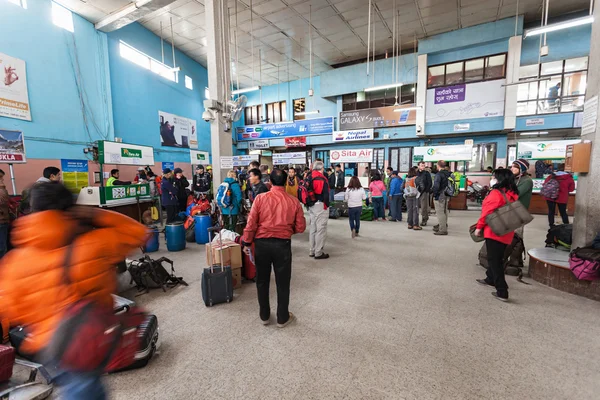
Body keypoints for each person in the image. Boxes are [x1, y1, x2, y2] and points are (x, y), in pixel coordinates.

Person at [0, 182, 148, 399]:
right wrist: (92, 214)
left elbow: (9, 309)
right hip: (88, 338)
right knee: (84, 388)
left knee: (82, 385)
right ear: (70, 209)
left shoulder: (14, 261)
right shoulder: (93, 245)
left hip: (49, 347)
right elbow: (139, 233)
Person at [241, 169, 306, 328]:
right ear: (285, 181)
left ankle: (264, 315)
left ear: (269, 180)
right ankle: (282, 318)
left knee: (262, 281)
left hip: (262, 244)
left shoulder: (260, 199)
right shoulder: (293, 201)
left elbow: (251, 223)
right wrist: (287, 230)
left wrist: (247, 242)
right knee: (283, 282)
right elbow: (301, 227)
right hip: (282, 245)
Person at [474, 169, 520, 302]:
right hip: (507, 229)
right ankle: (490, 278)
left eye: (493, 177)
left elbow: (487, 213)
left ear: (499, 179)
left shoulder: (496, 194)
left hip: (494, 230)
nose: (492, 178)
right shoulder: (512, 193)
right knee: (498, 256)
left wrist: (479, 227)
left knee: (494, 260)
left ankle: (502, 290)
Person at [308, 161, 330, 259]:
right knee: (321, 228)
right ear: (321, 168)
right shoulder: (321, 179)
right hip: (320, 205)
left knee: (313, 228)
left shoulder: (309, 176)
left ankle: (312, 250)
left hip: (311, 205)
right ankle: (318, 252)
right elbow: (325, 195)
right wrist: (327, 206)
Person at [432, 160, 451, 236]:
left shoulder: (439, 174)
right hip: (447, 194)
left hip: (440, 195)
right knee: (445, 211)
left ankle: (442, 229)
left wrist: (435, 194)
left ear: (438, 165)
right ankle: (443, 225)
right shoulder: (449, 173)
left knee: (440, 212)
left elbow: (436, 186)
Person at [415, 161, 433, 226]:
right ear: (418, 166)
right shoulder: (416, 173)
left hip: (424, 192)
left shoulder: (426, 173)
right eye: (422, 165)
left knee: (424, 207)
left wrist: (426, 191)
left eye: (424, 165)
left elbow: (430, 183)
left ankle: (424, 219)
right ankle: (415, 220)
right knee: (416, 207)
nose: (423, 167)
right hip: (416, 192)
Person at [0, 170, 9, 259]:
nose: (2, 180)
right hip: (1, 222)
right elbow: (3, 199)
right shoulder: (1, 190)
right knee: (2, 249)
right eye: (0, 177)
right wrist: (2, 188)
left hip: (3, 221)